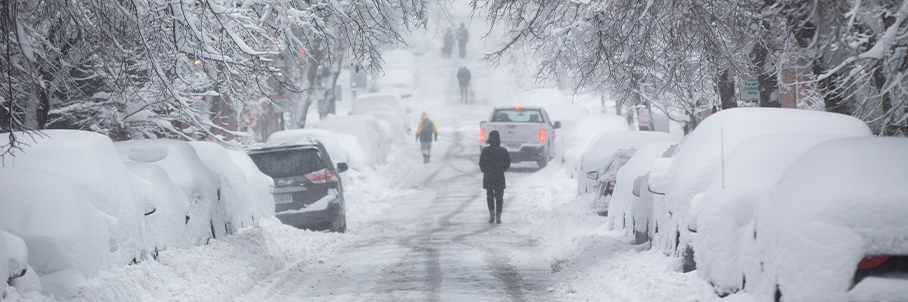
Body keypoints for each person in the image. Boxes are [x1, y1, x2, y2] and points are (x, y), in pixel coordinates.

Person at [479, 130, 510, 224]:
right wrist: (500, 170)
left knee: (490, 195)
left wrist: (486, 170)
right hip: (499, 176)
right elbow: (507, 163)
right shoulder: (503, 151)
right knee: (499, 196)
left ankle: (491, 213)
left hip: (488, 176)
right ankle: (498, 215)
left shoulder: (485, 150)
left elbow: (481, 163)